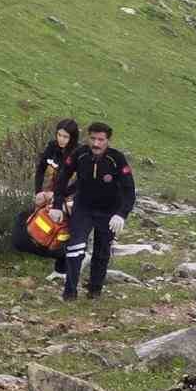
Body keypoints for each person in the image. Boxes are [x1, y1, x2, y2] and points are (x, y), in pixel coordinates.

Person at [48, 121, 136, 301]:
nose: (96, 143)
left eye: (101, 140)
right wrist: (57, 204)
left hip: (109, 211)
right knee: (75, 247)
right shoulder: (79, 154)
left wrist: (121, 214)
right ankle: (70, 292)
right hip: (83, 208)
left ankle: (94, 291)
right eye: (93, 138)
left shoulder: (117, 159)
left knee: (102, 252)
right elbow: (62, 178)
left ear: (108, 141)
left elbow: (129, 190)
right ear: (88, 138)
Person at [22, 119, 81, 274]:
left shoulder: (79, 153)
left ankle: (65, 267)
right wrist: (38, 192)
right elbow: (41, 169)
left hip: (71, 196)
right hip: (51, 191)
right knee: (41, 223)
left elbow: (80, 182)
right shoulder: (52, 147)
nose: (61, 139)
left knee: (65, 230)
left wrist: (59, 196)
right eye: (59, 135)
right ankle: (43, 252)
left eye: (65, 137)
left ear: (72, 138)